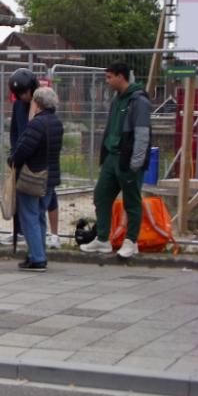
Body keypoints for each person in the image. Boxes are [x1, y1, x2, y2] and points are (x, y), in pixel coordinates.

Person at [80, 61, 152, 258]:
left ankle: (131, 241)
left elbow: (142, 134)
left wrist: (135, 162)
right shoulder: (117, 100)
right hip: (112, 158)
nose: (107, 81)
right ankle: (102, 239)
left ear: (120, 77)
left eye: (109, 77)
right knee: (101, 196)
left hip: (127, 161)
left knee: (132, 201)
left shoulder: (139, 101)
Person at [0, 69, 61, 249]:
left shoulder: (42, 108)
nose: (24, 96)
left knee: (44, 202)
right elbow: (16, 131)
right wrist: (15, 152)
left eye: (25, 92)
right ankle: (21, 233)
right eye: (20, 94)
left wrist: (32, 111)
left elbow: (35, 129)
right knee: (25, 200)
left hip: (38, 161)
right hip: (22, 156)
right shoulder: (19, 105)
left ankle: (53, 236)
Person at [7, 86, 64, 271]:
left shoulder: (37, 123)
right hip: (51, 176)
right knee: (40, 215)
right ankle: (39, 253)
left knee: (29, 216)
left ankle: (37, 257)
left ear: (37, 103)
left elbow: (24, 148)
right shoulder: (56, 122)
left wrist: (12, 160)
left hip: (33, 176)